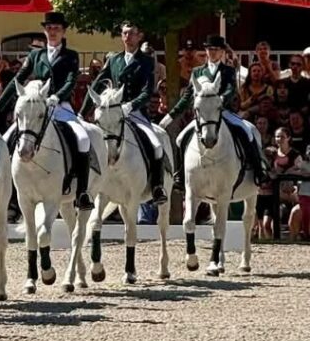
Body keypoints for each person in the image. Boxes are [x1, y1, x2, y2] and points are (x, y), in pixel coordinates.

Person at [0, 11, 92, 210]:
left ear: (63, 32)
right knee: (7, 138)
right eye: (49, 28)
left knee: (83, 138)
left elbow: (71, 81)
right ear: (45, 31)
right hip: (36, 108)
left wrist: (57, 96)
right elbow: (16, 81)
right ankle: (3, 185)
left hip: (60, 106)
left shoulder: (71, 56)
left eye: (57, 29)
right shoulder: (36, 55)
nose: (53, 32)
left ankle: (82, 192)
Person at [162, 35, 268, 188]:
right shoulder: (197, 72)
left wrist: (219, 101)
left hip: (224, 112)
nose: (212, 52)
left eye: (216, 50)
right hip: (204, 117)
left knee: (248, 132)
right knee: (180, 139)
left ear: (222, 52)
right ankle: (180, 175)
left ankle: (259, 171)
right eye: (209, 49)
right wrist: (171, 115)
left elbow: (231, 90)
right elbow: (187, 96)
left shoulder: (228, 70)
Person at [79, 22, 167, 204]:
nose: (128, 37)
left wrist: (131, 105)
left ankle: (157, 187)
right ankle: (85, 186)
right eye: (125, 33)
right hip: (113, 113)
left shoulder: (146, 61)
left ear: (139, 36)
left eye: (132, 34)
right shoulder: (114, 60)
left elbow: (147, 90)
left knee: (156, 145)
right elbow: (96, 86)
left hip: (136, 113)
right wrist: (81, 112)